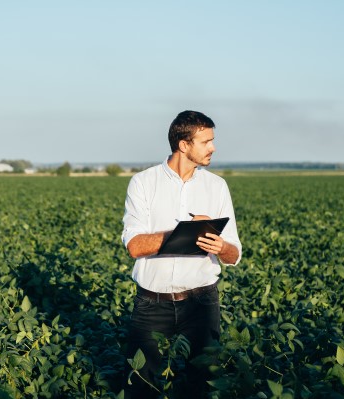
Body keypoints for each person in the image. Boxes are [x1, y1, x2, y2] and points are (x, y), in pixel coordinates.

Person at [121, 110, 242, 398]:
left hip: (202, 302)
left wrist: (220, 246)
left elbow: (234, 253)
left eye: (212, 140)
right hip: (151, 302)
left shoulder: (217, 186)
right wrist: (188, 232)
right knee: (142, 385)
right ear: (183, 145)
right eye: (206, 142)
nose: (213, 147)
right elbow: (134, 246)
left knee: (203, 385)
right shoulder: (143, 182)